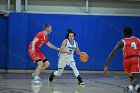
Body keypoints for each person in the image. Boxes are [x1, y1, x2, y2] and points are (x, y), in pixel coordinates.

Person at [104, 27, 140, 93]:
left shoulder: (121, 42)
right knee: (136, 78)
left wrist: (106, 65)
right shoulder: (138, 40)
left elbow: (113, 52)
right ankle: (129, 89)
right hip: (135, 60)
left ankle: (137, 88)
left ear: (124, 33)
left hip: (126, 62)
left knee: (132, 78)